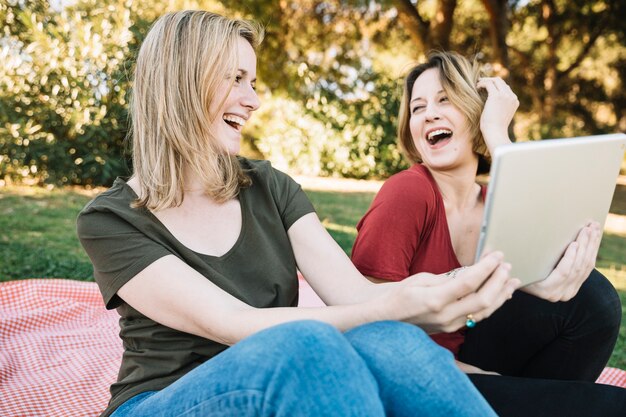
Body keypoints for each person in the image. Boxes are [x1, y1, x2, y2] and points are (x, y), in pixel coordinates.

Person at [76, 11, 524, 417]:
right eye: (235, 78)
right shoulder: (111, 220)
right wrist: (397, 304)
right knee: (308, 344)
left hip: (284, 379)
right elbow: (236, 325)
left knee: (390, 337)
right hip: (163, 402)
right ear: (180, 82)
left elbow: (356, 296)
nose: (252, 100)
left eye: (252, 83)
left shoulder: (269, 187)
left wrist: (458, 284)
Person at [351, 50, 626, 416]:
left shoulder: (491, 202)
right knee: (610, 405)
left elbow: (552, 239)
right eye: (418, 108)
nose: (429, 113)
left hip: (470, 350)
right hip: (411, 375)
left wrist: (496, 133)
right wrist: (470, 373)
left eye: (445, 100)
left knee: (595, 300)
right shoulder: (408, 192)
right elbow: (366, 321)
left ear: (476, 113)